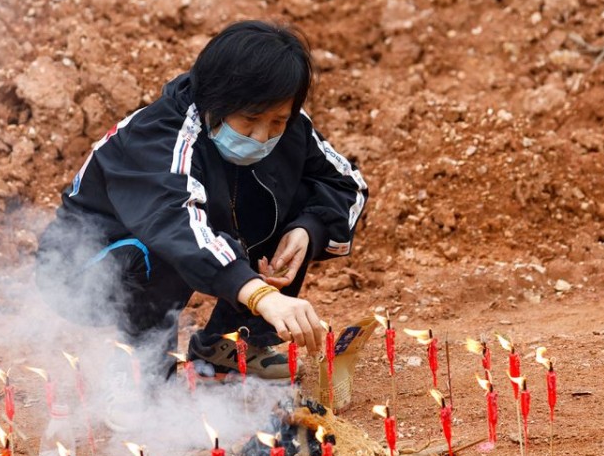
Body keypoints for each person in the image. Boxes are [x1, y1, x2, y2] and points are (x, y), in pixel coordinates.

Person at [35, 20, 368, 384]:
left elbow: (346, 184)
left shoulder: (289, 125)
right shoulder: (159, 137)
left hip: (182, 237)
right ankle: (138, 369)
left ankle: (233, 345)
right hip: (86, 271)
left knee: (294, 198)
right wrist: (262, 295)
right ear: (216, 101)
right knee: (162, 244)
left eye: (277, 122)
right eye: (250, 120)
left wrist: (308, 229)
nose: (263, 136)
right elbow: (176, 225)